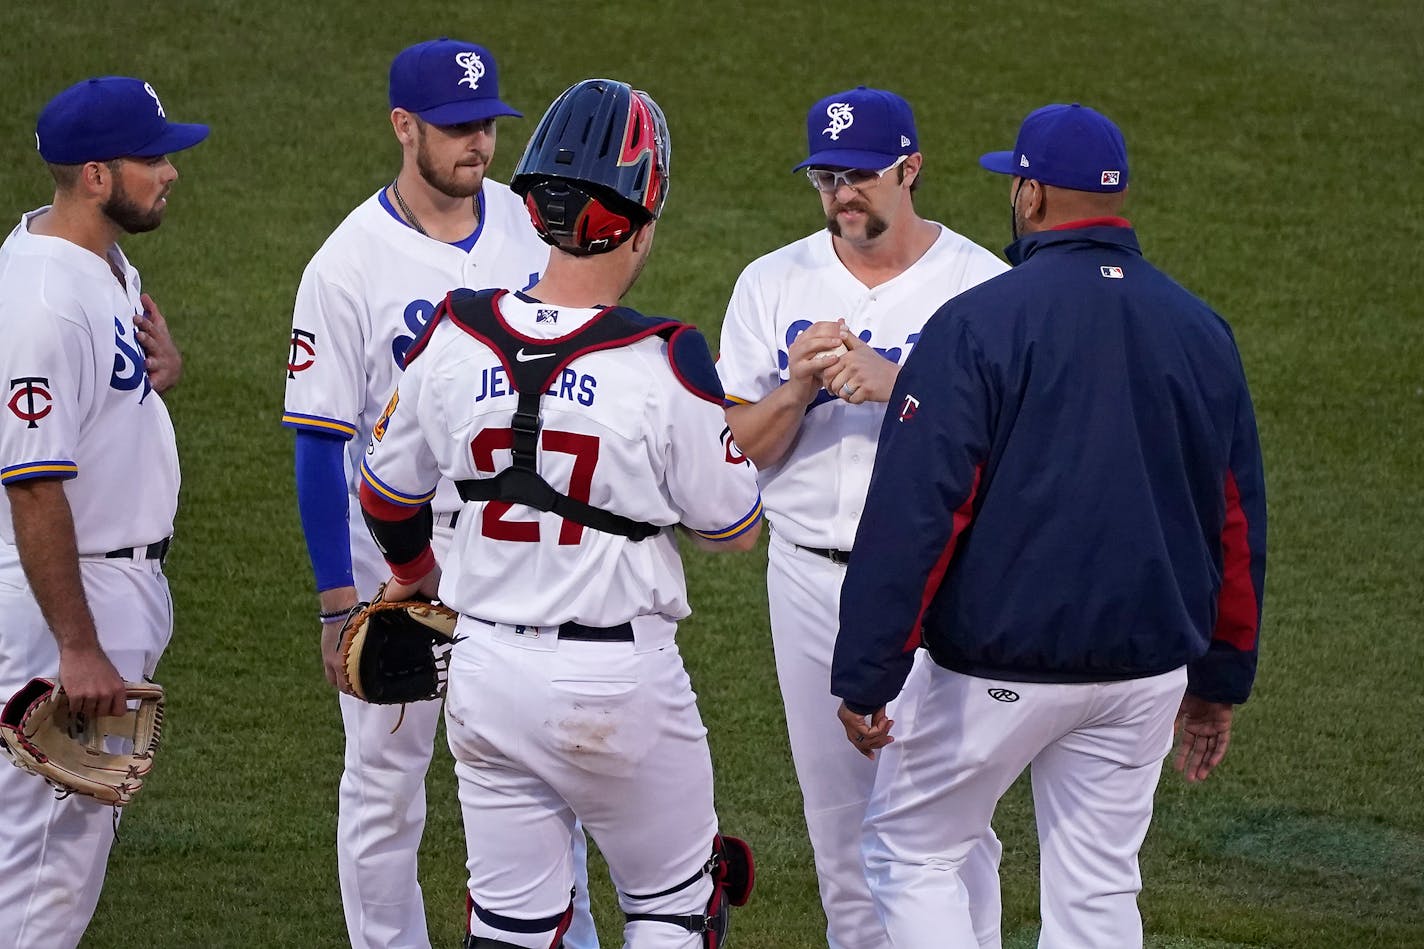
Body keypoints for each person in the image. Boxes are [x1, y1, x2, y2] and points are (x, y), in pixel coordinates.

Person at [832, 102, 1267, 949]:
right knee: (1098, 888)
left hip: (1000, 671)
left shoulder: (979, 322)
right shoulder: (1201, 330)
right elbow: (1236, 522)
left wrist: (867, 673)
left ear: (1030, 195)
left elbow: (920, 511)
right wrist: (1219, 683)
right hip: (1146, 675)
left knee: (911, 851)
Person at [358, 77, 763, 949]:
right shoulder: (668, 356)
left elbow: (386, 494)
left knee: (510, 929)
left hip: (485, 672)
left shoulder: (454, 333)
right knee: (674, 909)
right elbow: (735, 525)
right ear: (640, 219)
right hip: (621, 687)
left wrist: (418, 579)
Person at [280, 38, 598, 949]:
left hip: (517, 544)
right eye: (457, 128)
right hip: (396, 560)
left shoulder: (528, 228)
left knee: (543, 762)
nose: (477, 145)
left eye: (487, 126)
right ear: (402, 126)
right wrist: (337, 602)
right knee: (386, 786)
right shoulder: (346, 265)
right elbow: (317, 442)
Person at [716, 85, 1008, 948]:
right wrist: (798, 386)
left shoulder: (982, 285)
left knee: (951, 830)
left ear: (911, 169)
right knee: (840, 830)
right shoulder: (771, 281)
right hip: (806, 576)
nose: (842, 195)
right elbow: (737, 446)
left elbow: (1016, 452)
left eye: (861, 176)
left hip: (941, 581)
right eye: (826, 178)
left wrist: (901, 385)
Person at [0, 75, 207, 949]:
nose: (169, 173)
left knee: (52, 849)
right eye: (151, 157)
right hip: (68, 599)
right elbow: (32, 483)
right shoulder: (41, 301)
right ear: (95, 174)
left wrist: (154, 380)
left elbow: (90, 400)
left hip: (105, 583)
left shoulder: (100, 264)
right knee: (46, 861)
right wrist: (78, 646)